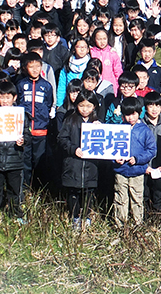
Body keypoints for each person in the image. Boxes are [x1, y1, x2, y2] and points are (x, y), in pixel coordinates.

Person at [0, 80, 31, 225]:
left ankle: (17, 214)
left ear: (14, 98)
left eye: (8, 97)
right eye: (2, 97)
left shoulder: (20, 115)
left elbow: (28, 135)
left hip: (14, 159)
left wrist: (23, 141)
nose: (5, 101)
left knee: (15, 191)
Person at [58, 89, 101, 231]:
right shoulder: (70, 120)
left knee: (88, 193)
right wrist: (73, 149)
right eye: (82, 105)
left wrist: (101, 129)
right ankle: (75, 217)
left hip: (90, 165)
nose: (85, 109)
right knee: (73, 192)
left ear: (94, 106)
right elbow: (62, 139)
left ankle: (87, 217)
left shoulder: (97, 122)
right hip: (73, 164)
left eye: (89, 106)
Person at [112, 97, 157, 228]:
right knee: (120, 198)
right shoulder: (119, 129)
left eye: (133, 114)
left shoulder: (144, 130)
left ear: (139, 112)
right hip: (121, 170)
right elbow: (110, 148)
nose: (131, 117)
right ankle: (121, 225)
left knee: (137, 198)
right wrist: (114, 158)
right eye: (127, 114)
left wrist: (137, 159)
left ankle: (138, 224)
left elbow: (151, 150)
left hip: (137, 170)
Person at [16, 52, 55, 187]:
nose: (34, 69)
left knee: (39, 162)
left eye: (37, 66)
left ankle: (39, 189)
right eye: (31, 66)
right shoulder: (21, 84)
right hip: (25, 131)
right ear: (26, 67)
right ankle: (25, 189)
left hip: (40, 131)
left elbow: (49, 103)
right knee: (25, 162)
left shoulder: (46, 85)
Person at [141, 92, 161, 215]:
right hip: (144, 168)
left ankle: (157, 222)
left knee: (159, 197)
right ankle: (144, 223)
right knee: (144, 196)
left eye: (157, 106)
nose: (154, 109)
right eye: (151, 105)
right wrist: (144, 167)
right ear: (145, 107)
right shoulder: (141, 125)